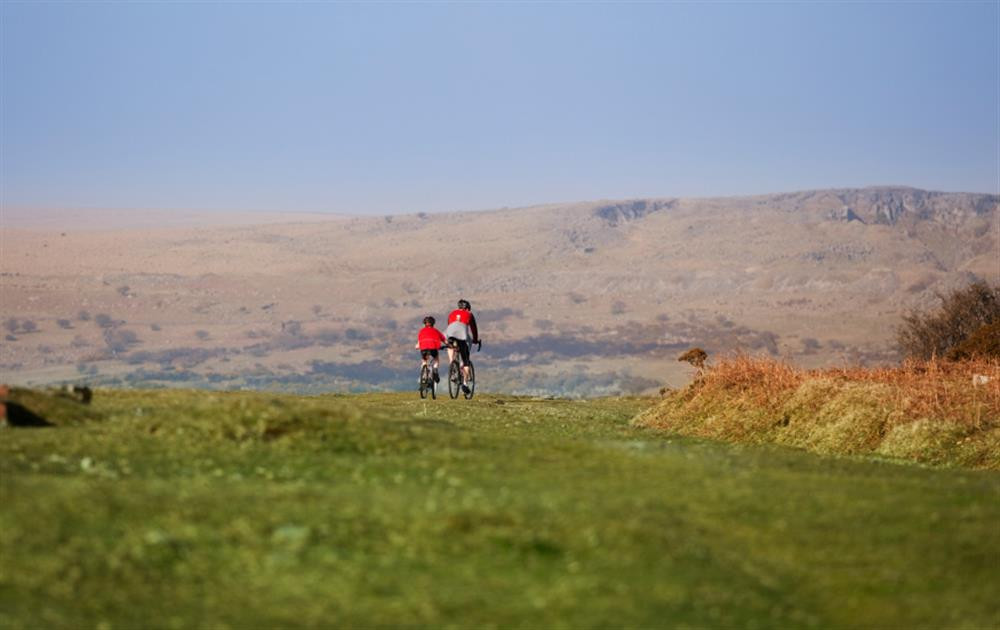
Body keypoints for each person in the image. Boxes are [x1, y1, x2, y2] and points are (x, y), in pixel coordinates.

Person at [445, 299, 480, 393]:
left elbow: (449, 325)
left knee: (450, 346)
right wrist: (475, 340)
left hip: (450, 334)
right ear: (468, 308)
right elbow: (474, 329)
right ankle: (464, 383)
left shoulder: (452, 313)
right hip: (462, 336)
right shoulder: (469, 314)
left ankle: (452, 364)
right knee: (466, 361)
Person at [415, 316, 447, 383]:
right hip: (433, 348)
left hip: (424, 349)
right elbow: (445, 340)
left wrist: (417, 347)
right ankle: (435, 369)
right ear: (433, 324)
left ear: (424, 324)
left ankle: (424, 376)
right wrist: (449, 345)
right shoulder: (436, 331)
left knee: (424, 361)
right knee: (436, 359)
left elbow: (418, 344)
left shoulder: (421, 331)